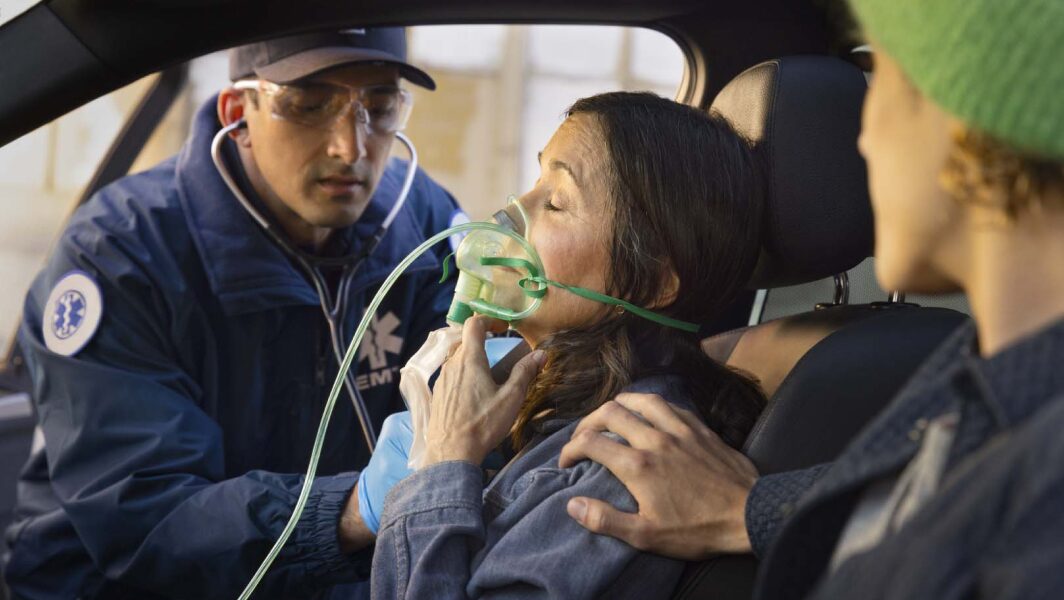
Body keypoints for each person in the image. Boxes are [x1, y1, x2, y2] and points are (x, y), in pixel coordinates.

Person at [558, 0, 1064, 598]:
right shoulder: (985, 380)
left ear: (975, 115)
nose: (867, 138)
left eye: (889, 85)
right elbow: (918, 488)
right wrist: (751, 510)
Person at [1, 28, 464, 599]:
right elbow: (147, 517)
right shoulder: (119, 256)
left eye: (379, 106)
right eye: (309, 104)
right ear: (237, 111)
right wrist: (350, 510)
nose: (350, 145)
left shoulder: (426, 228)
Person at [336, 91, 768, 599]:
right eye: (535, 182)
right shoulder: (554, 407)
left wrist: (444, 464)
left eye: (557, 201)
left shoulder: (625, 465)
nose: (509, 213)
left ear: (651, 282)